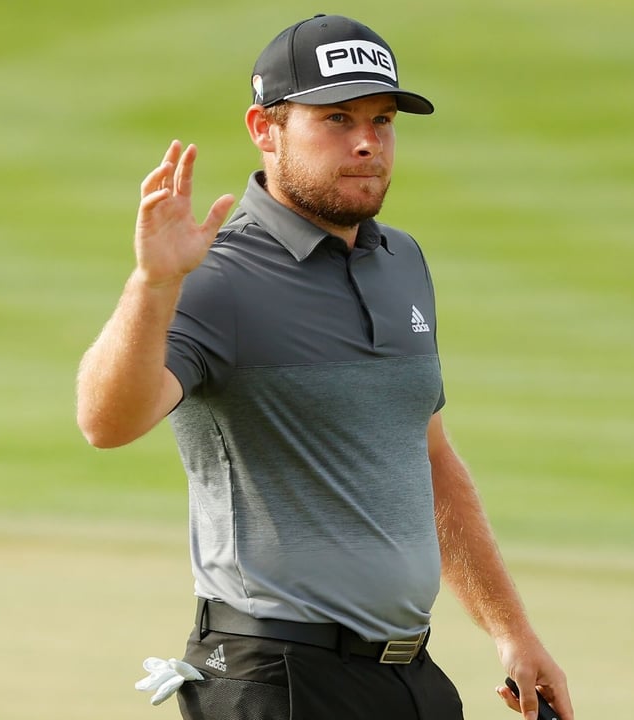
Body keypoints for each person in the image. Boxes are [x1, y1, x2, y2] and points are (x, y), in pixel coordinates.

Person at [76, 13, 574, 720]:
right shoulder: (216, 277)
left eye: (382, 120)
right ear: (265, 128)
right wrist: (152, 284)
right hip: (276, 680)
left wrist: (511, 631)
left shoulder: (402, 261)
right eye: (337, 118)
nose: (367, 141)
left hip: (409, 677)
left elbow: (429, 459)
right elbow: (106, 423)